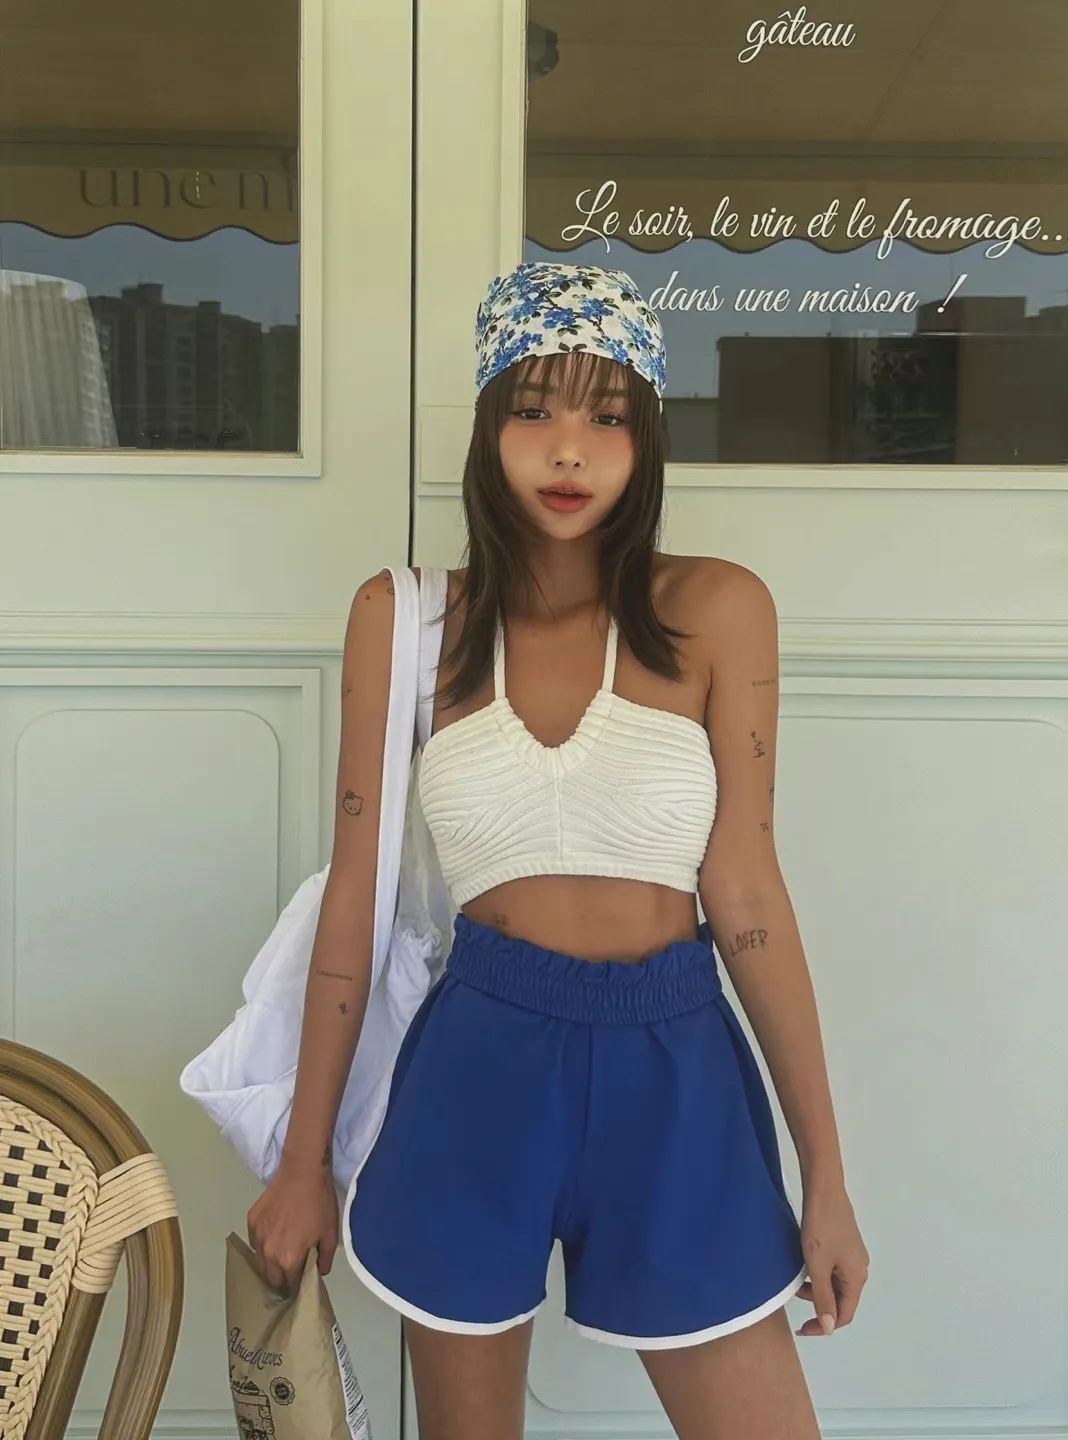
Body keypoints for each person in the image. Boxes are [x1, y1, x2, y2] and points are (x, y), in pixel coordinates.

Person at [247, 261, 869, 1440]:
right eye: (533, 409)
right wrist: (302, 1161)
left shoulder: (719, 609)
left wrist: (825, 1175)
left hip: (675, 1065)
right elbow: (356, 901)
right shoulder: (407, 621)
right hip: (480, 1063)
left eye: (608, 416)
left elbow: (746, 890)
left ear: (649, 438)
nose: (569, 450)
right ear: (489, 428)